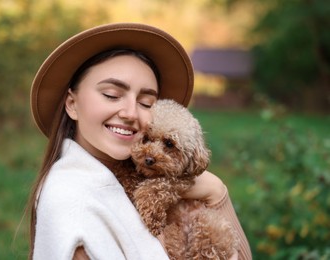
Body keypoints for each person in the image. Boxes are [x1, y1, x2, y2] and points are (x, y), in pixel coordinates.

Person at [28, 23, 252, 260]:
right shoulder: (72, 203)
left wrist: (216, 193)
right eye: (111, 95)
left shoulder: (134, 179)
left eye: (146, 103)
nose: (131, 113)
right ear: (72, 104)